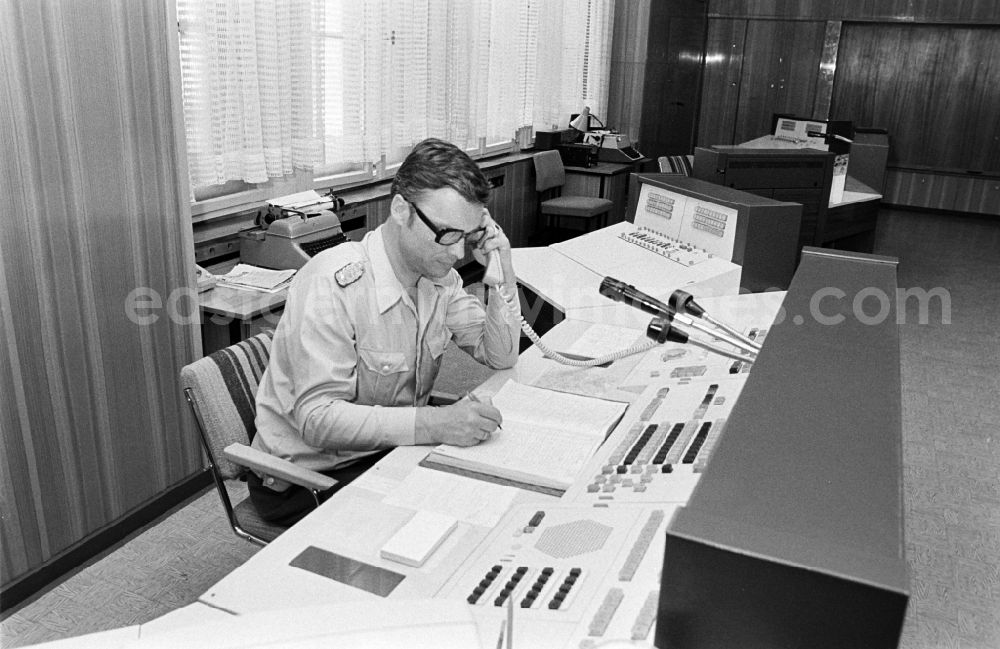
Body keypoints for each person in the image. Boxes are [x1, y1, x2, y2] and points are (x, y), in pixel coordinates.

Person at [249, 138, 522, 525]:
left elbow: (500, 355)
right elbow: (318, 419)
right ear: (400, 210)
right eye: (448, 234)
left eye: (469, 236)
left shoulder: (439, 278)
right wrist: (436, 424)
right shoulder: (332, 283)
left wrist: (501, 267)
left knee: (491, 497)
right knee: (454, 520)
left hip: (388, 452)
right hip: (311, 478)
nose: (459, 253)